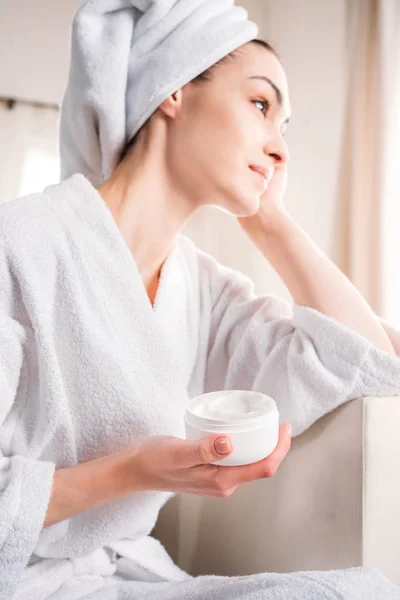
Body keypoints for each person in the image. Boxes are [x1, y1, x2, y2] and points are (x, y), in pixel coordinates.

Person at [2, 1, 400, 599]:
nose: (281, 149)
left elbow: (363, 365)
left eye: (284, 127)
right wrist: (134, 471)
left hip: (117, 582)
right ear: (175, 90)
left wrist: (269, 221)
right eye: (261, 105)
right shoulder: (24, 242)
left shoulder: (202, 288)